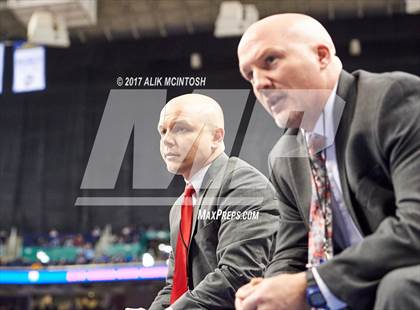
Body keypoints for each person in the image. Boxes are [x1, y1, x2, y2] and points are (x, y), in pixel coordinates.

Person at [235, 13, 420, 310]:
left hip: (397, 282)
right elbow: (291, 253)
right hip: (353, 290)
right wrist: (269, 292)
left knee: (399, 288)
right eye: (249, 75)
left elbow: (415, 224)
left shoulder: (391, 100)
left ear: (321, 56)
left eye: (270, 60)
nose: (260, 83)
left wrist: (311, 286)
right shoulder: (284, 158)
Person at [127, 93, 280, 310]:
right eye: (163, 131)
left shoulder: (244, 185)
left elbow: (238, 276)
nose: (166, 140)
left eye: (181, 128)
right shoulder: (180, 207)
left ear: (217, 137)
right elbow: (175, 286)